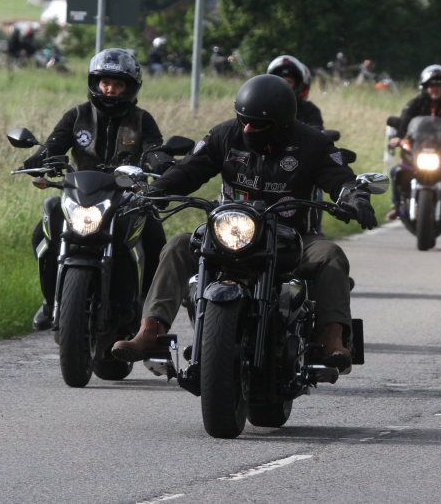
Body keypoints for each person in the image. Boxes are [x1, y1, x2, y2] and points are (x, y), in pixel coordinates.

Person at [110, 74, 377, 372]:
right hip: (229, 231)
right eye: (244, 120)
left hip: (292, 237)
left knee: (331, 255)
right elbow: (189, 169)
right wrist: (155, 192)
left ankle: (332, 337)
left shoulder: (313, 143)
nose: (248, 128)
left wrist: (355, 198)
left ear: (282, 123)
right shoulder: (224, 135)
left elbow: (340, 178)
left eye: (257, 125)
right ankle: (150, 330)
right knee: (177, 246)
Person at [21, 48, 167, 331]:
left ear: (130, 87)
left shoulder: (142, 119)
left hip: (128, 196)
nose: (110, 89)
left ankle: (148, 310)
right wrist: (39, 160)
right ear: (95, 83)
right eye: (105, 82)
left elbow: (154, 149)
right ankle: (50, 301)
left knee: (155, 236)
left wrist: (160, 162)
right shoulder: (78, 115)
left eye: (117, 84)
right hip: (81, 195)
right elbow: (54, 144)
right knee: (45, 226)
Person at [388, 64, 441, 226]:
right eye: (431, 85)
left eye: (439, 85)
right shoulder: (414, 105)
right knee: (396, 172)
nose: (435, 88)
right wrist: (398, 137)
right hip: (416, 151)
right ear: (425, 87)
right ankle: (396, 206)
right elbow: (404, 122)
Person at [267, 54, 324, 129]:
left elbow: (317, 132)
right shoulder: (263, 107)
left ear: (297, 85)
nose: (284, 85)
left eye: (289, 82)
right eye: (280, 81)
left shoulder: (309, 110)